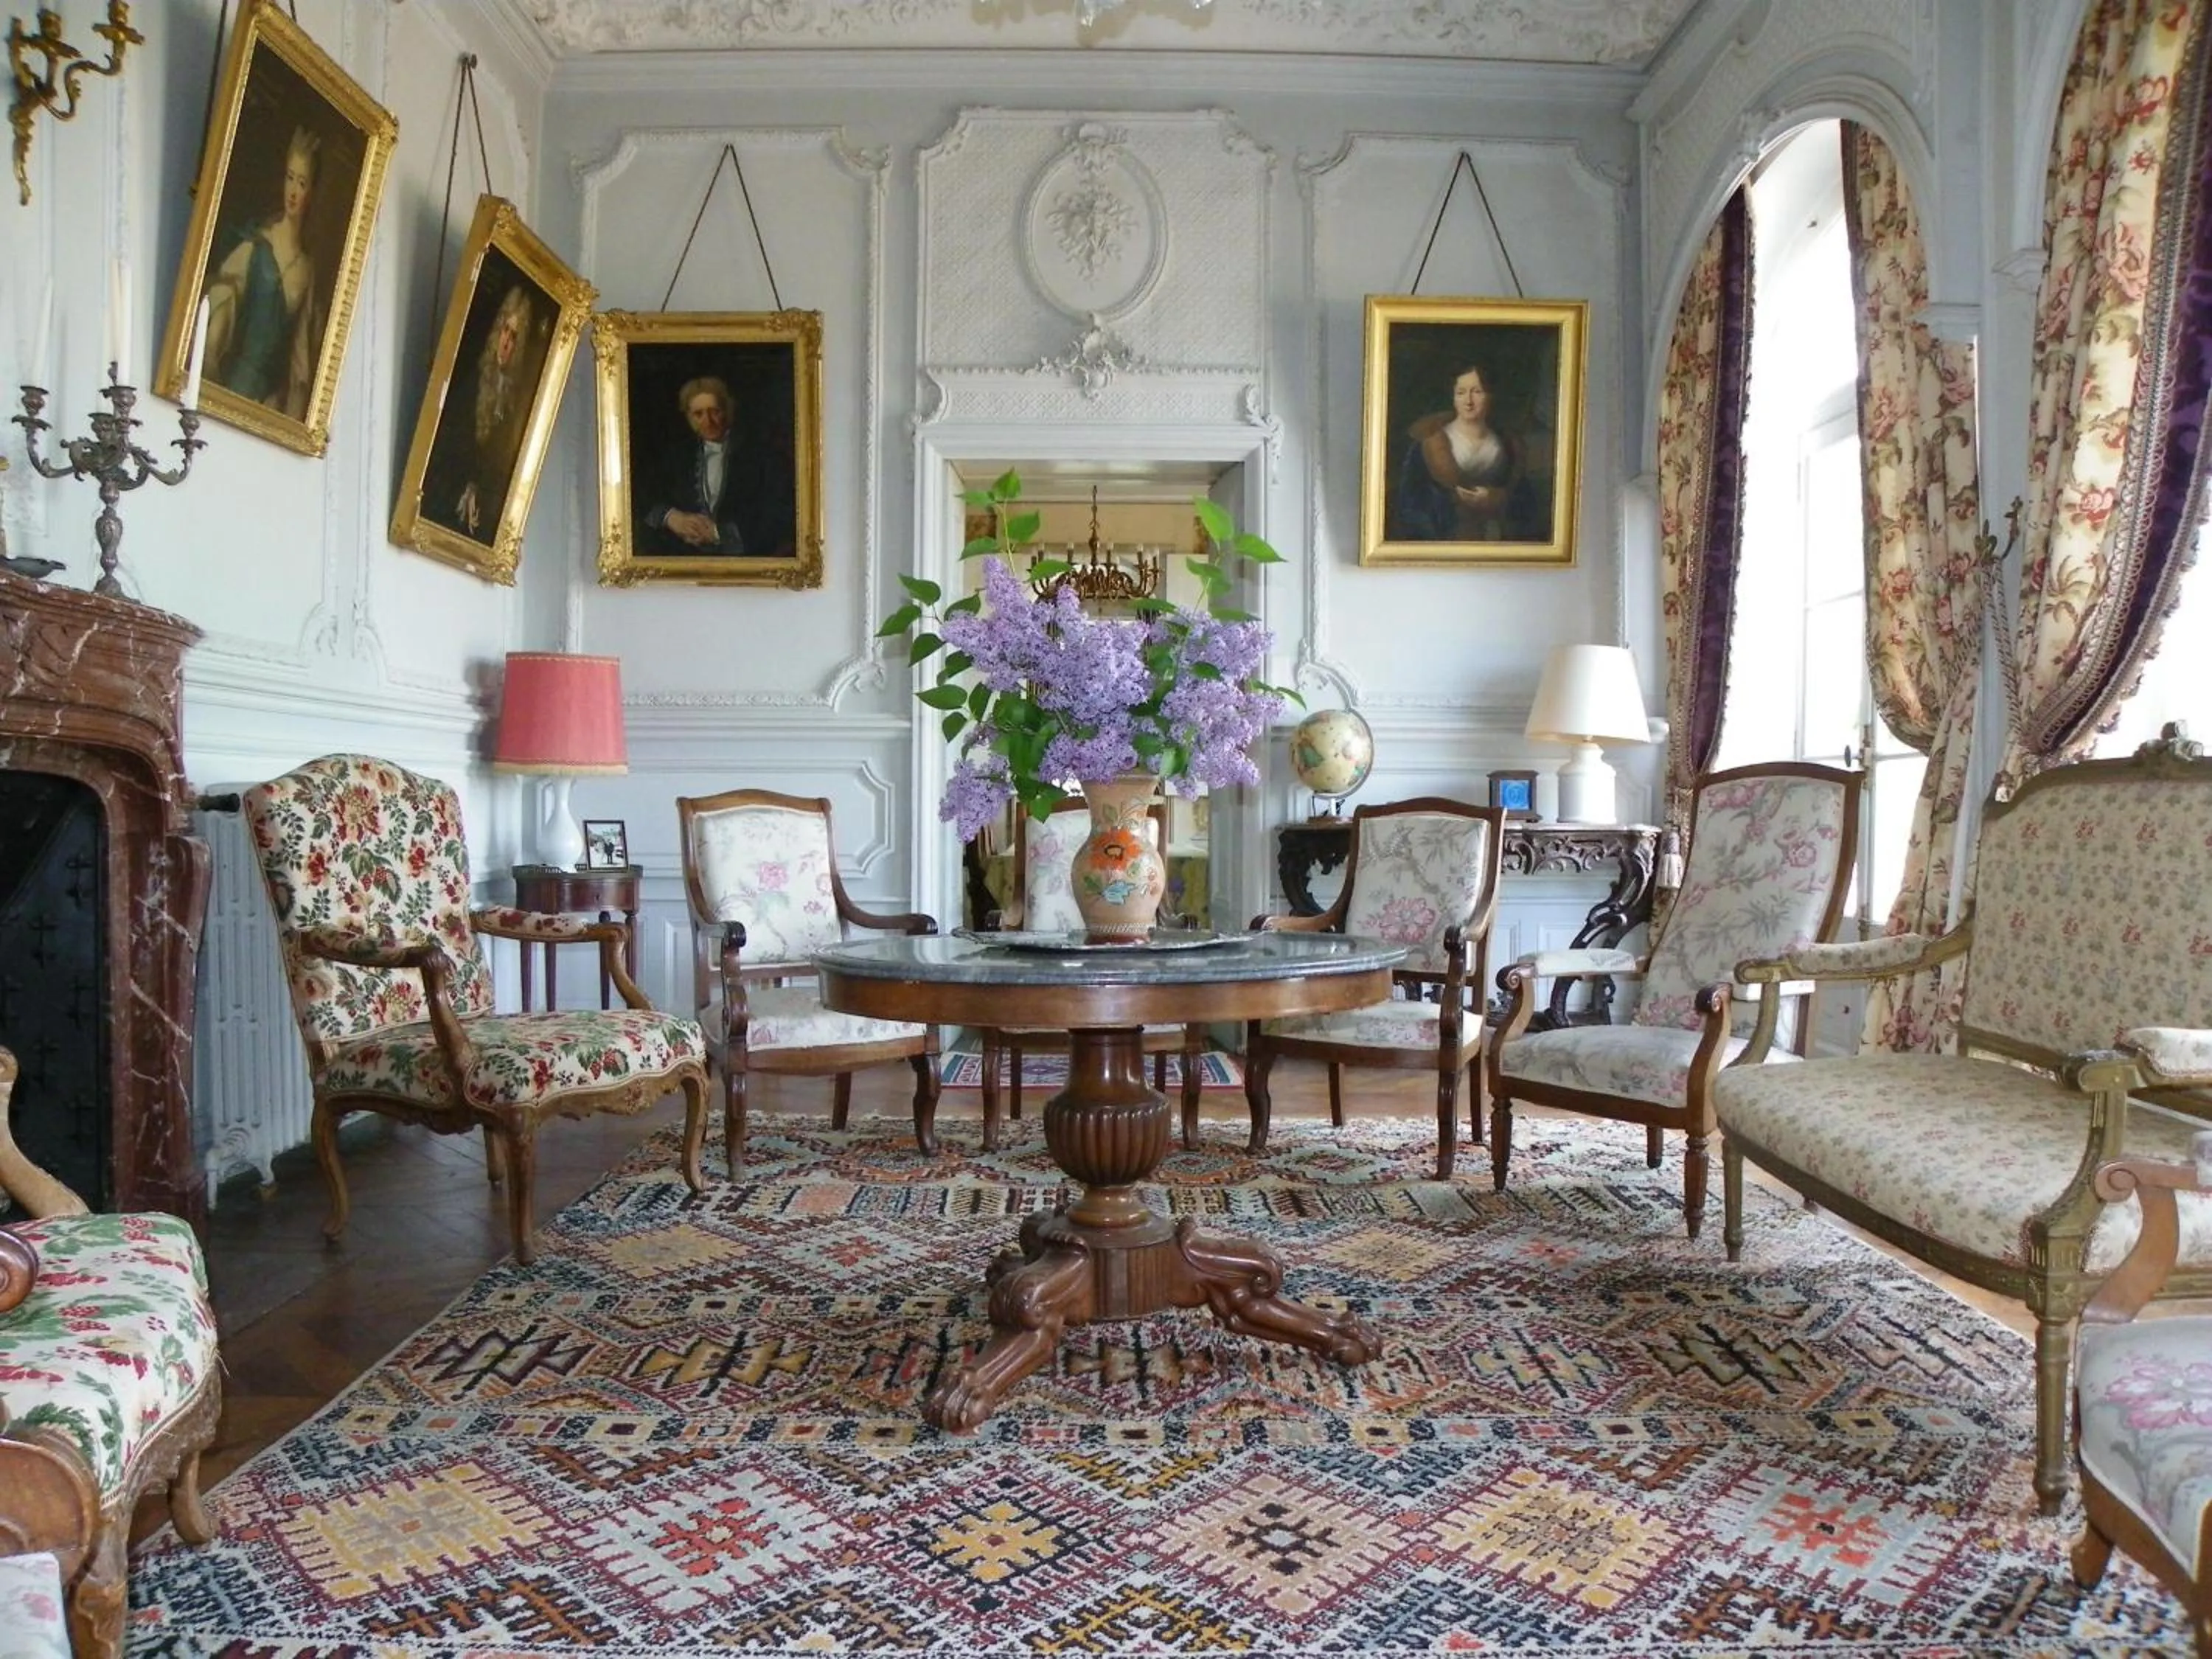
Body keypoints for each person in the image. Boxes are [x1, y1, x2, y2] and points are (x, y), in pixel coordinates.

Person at [201, 124, 322, 420]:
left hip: (268, 405)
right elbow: (223, 293)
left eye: (302, 183)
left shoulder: (308, 271)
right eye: (290, 178)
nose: (293, 192)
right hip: (231, 385)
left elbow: (298, 361)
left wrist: (286, 411)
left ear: (312, 193)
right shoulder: (259, 242)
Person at [422, 282, 545, 543]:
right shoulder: (472, 385)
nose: (507, 343)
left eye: (515, 337)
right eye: (506, 331)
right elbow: (451, 444)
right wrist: (467, 484)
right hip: (449, 498)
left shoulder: (513, 401)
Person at [639, 375, 796, 559]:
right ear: (688, 417)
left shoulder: (761, 456)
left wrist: (718, 533)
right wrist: (671, 518)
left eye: (715, 411)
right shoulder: (676, 456)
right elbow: (643, 496)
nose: (708, 421)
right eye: (698, 414)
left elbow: (779, 514)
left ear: (728, 411)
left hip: (747, 561)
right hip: (682, 561)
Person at [1389, 360, 1543, 543]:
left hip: (1496, 543)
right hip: (1444, 540)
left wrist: (1498, 499)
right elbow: (1411, 501)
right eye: (1461, 393)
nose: (1468, 401)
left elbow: (1525, 503)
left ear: (1490, 395)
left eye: (1477, 392)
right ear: (1453, 397)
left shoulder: (1510, 448)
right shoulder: (1428, 443)